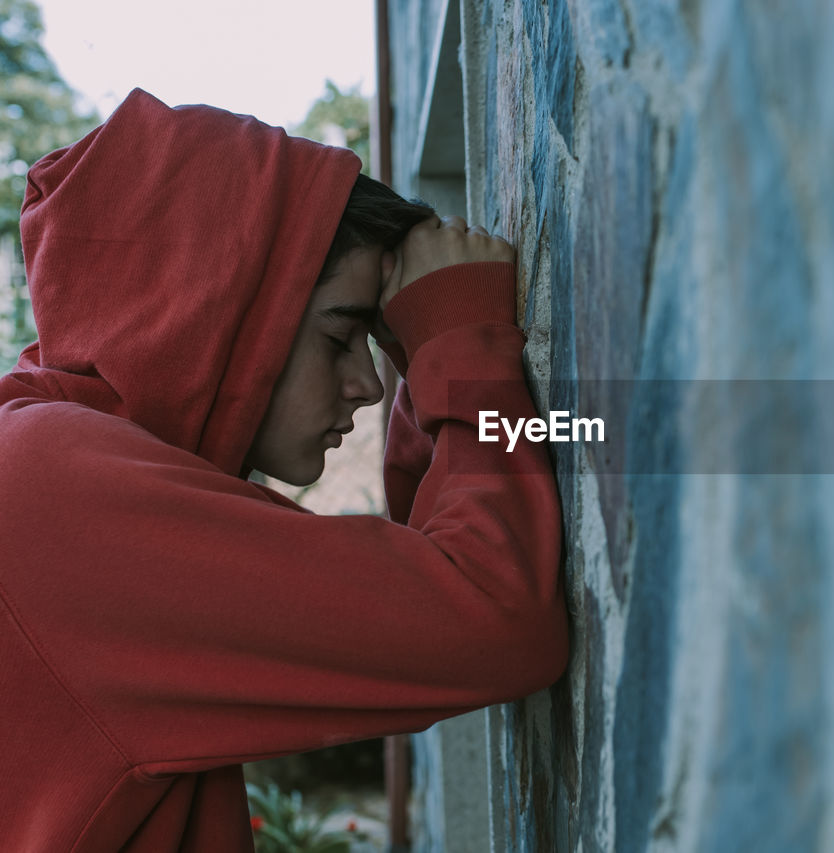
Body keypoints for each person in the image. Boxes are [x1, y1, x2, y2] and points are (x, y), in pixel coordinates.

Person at [0, 89, 568, 850]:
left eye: (375, 344)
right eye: (341, 336)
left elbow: (420, 584)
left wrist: (428, 362)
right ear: (217, 312)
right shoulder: (49, 494)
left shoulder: (44, 464)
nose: (368, 383)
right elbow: (495, 619)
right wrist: (460, 350)